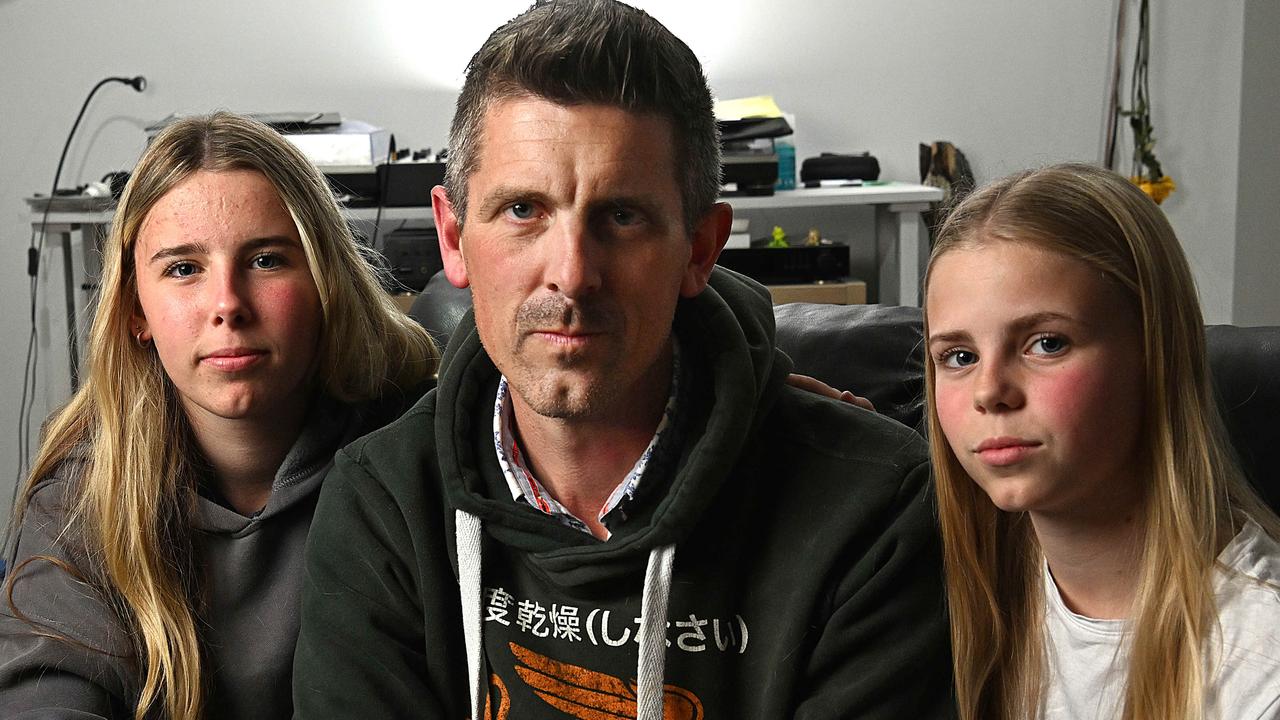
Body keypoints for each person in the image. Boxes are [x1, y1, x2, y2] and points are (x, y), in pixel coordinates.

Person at [292, 1, 952, 718]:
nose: (572, 274)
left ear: (699, 248)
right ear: (453, 238)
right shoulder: (383, 500)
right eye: (523, 211)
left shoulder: (875, 509)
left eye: (623, 216)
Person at [0, 112, 438, 720]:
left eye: (265, 261)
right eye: (184, 269)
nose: (227, 305)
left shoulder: (416, 454)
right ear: (136, 313)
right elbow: (44, 697)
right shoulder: (82, 496)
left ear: (325, 282)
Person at [923, 163, 1280, 720]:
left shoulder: (1260, 662)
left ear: (1155, 353)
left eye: (1046, 343)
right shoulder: (973, 590)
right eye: (960, 357)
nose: (990, 391)